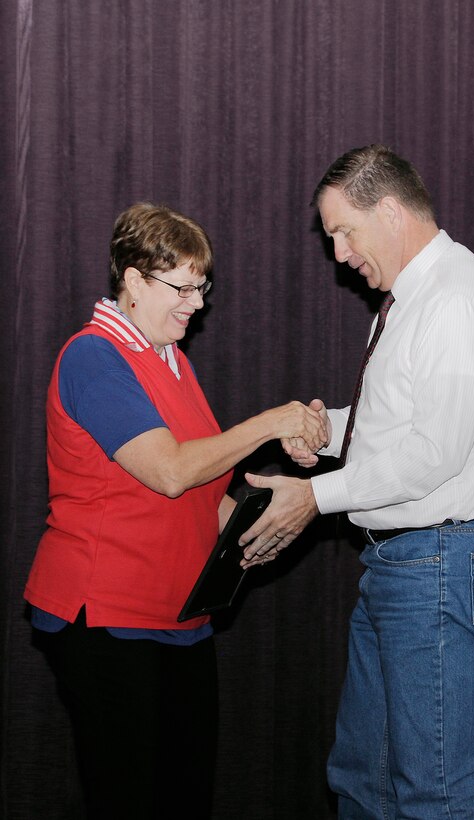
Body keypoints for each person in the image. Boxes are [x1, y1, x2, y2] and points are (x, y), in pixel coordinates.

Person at [239, 145, 474, 819]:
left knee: (437, 796)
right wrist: (325, 432)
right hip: (404, 565)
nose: (338, 254)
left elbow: (434, 454)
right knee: (363, 779)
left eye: (344, 232)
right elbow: (396, 426)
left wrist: (314, 497)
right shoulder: (409, 300)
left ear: (389, 213)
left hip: (439, 564)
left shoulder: (451, 298)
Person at [24, 202, 327, 820]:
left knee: (184, 796)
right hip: (105, 615)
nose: (197, 302)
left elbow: (204, 494)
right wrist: (270, 423)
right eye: (182, 286)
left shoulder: (172, 359)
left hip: (177, 616)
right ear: (133, 281)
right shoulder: (94, 356)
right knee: (131, 798)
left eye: (201, 286)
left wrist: (273, 508)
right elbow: (167, 472)